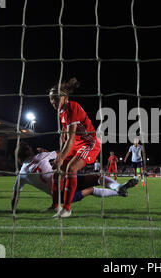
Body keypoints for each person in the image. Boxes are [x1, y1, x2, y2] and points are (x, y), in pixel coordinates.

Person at [11, 143, 136, 211]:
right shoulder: (41, 156)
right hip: (67, 181)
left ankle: (119, 191)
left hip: (61, 196)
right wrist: (46, 151)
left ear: (19, 158)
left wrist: (13, 209)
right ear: (31, 152)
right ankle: (118, 187)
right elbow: (61, 152)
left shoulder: (21, 174)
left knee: (91, 190)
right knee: (96, 178)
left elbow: (15, 196)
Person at [48, 77, 101, 218]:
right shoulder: (61, 111)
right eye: (51, 99)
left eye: (56, 98)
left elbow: (71, 138)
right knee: (57, 173)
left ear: (65, 97)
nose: (53, 101)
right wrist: (62, 135)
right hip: (75, 144)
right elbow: (67, 133)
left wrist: (61, 157)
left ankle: (67, 209)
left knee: (71, 168)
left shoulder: (73, 107)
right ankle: (55, 206)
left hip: (88, 143)